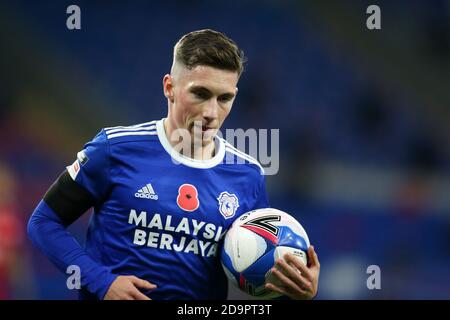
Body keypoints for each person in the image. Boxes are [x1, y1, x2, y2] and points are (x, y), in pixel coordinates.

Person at [27, 29, 320, 300]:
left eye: (224, 98)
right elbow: (43, 223)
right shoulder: (114, 149)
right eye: (200, 93)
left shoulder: (247, 174)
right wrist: (102, 282)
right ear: (170, 87)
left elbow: (254, 275)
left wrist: (297, 291)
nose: (211, 112)